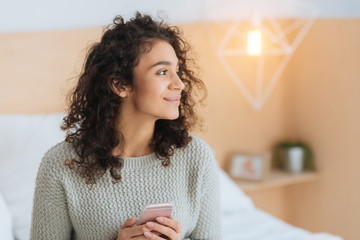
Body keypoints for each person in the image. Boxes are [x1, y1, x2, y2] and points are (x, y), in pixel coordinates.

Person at [30, 12, 221, 240]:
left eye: (177, 71)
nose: (179, 83)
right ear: (120, 85)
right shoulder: (62, 166)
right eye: (162, 72)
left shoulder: (196, 157)